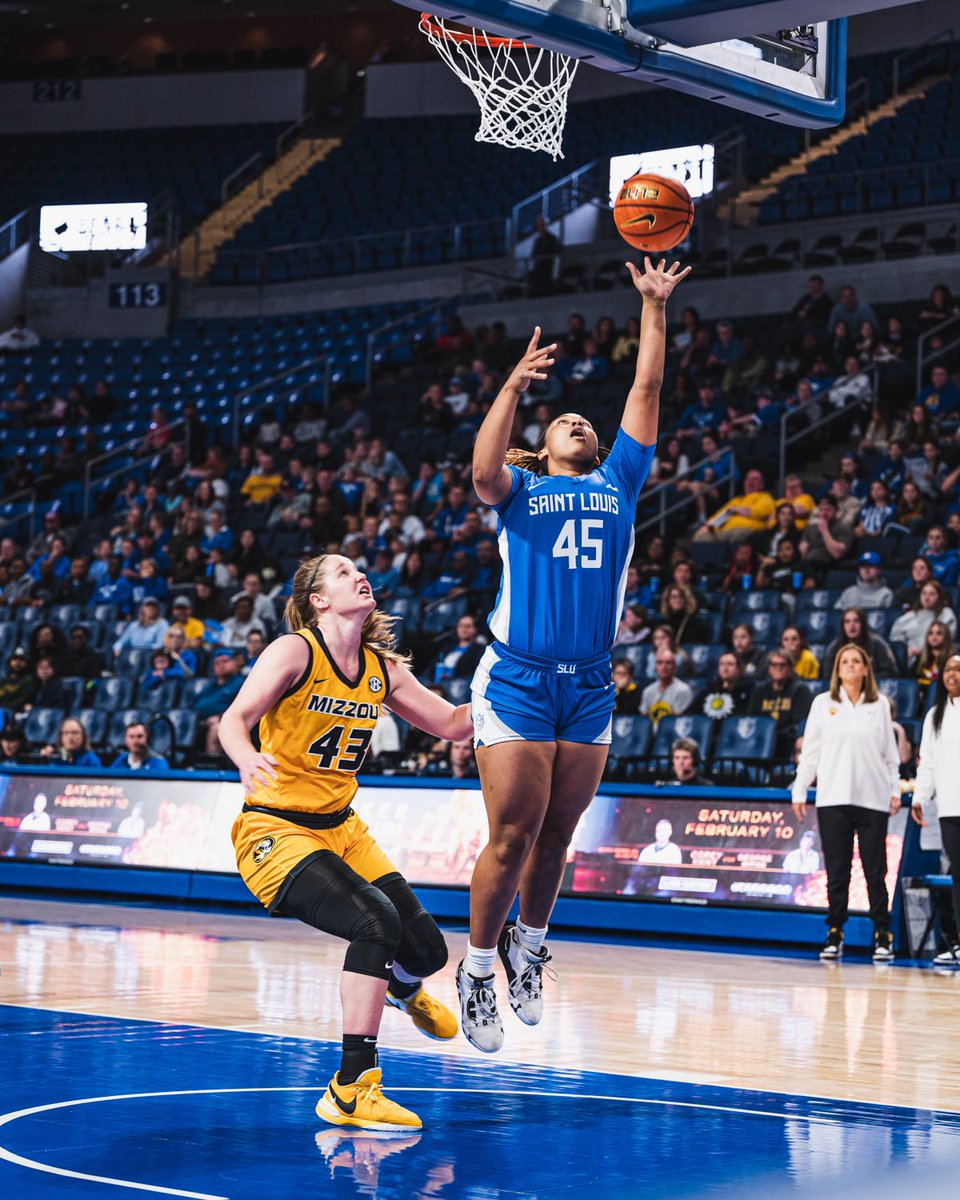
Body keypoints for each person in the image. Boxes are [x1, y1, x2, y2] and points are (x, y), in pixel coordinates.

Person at [463, 256, 689, 1053]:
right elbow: (483, 468)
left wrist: (652, 308)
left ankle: (527, 948)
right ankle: (479, 968)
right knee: (514, 834)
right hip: (519, 679)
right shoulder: (519, 492)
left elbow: (646, 393)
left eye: (585, 424)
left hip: (591, 683)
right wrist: (515, 385)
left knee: (558, 835)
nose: (581, 424)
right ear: (546, 444)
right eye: (567, 423)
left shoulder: (620, 481)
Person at [219, 554, 472, 1132]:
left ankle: (399, 992)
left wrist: (512, 690)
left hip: (342, 827)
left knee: (428, 952)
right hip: (275, 827)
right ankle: (352, 1087)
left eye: (358, 568)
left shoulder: (382, 669)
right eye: (340, 572)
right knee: (373, 923)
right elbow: (234, 719)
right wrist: (245, 757)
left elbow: (454, 724)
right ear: (318, 599)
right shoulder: (295, 652)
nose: (359, 574)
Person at [791, 643, 901, 962]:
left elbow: (890, 756)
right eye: (845, 661)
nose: (851, 665)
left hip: (873, 798)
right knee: (837, 871)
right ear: (837, 669)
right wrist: (799, 791)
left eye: (857, 661)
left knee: (875, 870)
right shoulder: (823, 703)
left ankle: (882, 933)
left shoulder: (879, 704)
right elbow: (810, 753)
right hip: (833, 797)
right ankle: (835, 932)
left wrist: (894, 789)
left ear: (866, 669)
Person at [911, 654, 960, 967]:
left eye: (958, 668)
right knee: (958, 876)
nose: (952, 673)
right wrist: (919, 796)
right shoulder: (935, 715)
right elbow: (926, 762)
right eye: (949, 669)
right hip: (950, 807)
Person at [748, 651, 811, 760]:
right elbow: (753, 719)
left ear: (791, 668)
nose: (778, 668)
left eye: (782, 665)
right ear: (769, 669)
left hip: (787, 744)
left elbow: (799, 723)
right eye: (774, 665)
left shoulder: (800, 690)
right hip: (761, 742)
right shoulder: (760, 691)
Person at [693, 469, 775, 543]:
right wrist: (706, 527)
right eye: (748, 479)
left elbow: (760, 512)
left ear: (762, 485)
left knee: (736, 534)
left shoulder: (765, 497)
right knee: (700, 538)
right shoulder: (736, 500)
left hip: (745, 531)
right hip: (722, 532)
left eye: (755, 479)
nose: (750, 482)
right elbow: (718, 517)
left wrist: (737, 510)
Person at [889, 580, 958, 666]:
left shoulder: (946, 614)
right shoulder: (909, 616)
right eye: (924, 593)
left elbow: (948, 638)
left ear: (939, 596)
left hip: (936, 659)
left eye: (932, 594)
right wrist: (907, 649)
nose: (927, 597)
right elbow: (895, 638)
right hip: (910, 658)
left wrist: (924, 651)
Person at [823, 607, 898, 680]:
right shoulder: (834, 647)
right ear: (843, 626)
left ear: (863, 624)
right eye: (847, 621)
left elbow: (891, 672)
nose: (852, 625)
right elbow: (828, 675)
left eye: (856, 621)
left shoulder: (878, 643)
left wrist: (862, 679)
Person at [639, 649, 694, 724]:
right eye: (660, 663)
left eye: (668, 663)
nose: (664, 666)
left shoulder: (683, 690)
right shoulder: (648, 691)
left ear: (674, 667)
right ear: (656, 667)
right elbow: (643, 721)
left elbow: (675, 721)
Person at [693, 651, 752, 719]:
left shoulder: (748, 689)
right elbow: (691, 712)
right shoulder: (710, 689)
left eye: (730, 664)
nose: (725, 668)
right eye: (721, 664)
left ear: (739, 669)